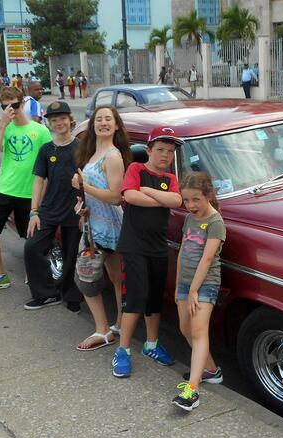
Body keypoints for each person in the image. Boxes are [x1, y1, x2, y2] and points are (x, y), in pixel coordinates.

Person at [111, 126, 183, 378]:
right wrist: (160, 197)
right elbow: (130, 196)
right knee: (135, 296)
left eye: (170, 151)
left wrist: (149, 191)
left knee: (154, 299)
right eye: (161, 150)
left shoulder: (171, 179)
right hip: (133, 246)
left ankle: (151, 344)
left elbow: (176, 201)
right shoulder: (136, 169)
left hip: (157, 248)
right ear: (149, 150)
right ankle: (123, 349)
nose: (165, 155)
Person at [0, 86, 52, 293]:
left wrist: (42, 196)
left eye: (15, 105)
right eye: (6, 107)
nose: (12, 110)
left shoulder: (40, 130)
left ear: (23, 103)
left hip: (29, 193)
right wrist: (1, 126)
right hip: (6, 189)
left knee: (31, 240)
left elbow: (50, 165)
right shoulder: (6, 128)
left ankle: (35, 275)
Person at [71, 106, 131, 347]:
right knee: (115, 277)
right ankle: (117, 324)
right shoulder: (94, 153)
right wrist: (82, 204)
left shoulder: (113, 156)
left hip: (108, 226)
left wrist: (84, 186)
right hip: (94, 222)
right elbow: (96, 195)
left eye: (109, 119)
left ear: (116, 126)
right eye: (99, 119)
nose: (103, 123)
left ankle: (102, 329)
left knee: (85, 275)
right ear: (92, 125)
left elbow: (116, 197)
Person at [171, 172, 226, 411]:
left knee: (198, 330)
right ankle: (211, 371)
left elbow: (207, 259)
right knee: (185, 328)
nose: (191, 205)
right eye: (186, 200)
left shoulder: (215, 223)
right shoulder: (189, 219)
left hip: (205, 285)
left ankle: (192, 390)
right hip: (185, 284)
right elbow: (183, 252)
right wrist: (177, 286)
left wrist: (194, 290)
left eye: (196, 199)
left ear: (209, 196)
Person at [24, 101, 81, 311]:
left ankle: (70, 295)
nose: (59, 123)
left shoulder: (81, 147)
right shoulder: (46, 149)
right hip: (48, 209)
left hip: (74, 210)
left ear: (70, 120)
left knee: (70, 254)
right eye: (54, 120)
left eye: (63, 119)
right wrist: (34, 212)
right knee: (32, 247)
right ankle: (45, 292)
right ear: (49, 123)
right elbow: (39, 181)